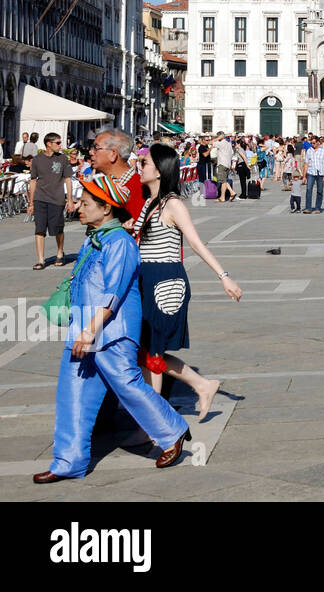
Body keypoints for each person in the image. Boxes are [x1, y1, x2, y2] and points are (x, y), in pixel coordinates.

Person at [34, 175, 192, 483]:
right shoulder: (93, 237)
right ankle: (68, 462)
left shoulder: (119, 242)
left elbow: (114, 293)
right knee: (72, 395)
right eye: (79, 202)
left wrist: (91, 330)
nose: (79, 208)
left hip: (112, 331)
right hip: (84, 329)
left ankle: (172, 430)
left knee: (127, 384)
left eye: (86, 204)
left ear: (106, 209)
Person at [135, 144, 242, 419]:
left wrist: (224, 277)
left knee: (153, 351)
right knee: (148, 351)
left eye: (145, 162)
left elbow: (195, 242)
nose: (140, 166)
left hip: (165, 281)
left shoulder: (173, 204)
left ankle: (156, 421)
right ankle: (202, 385)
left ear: (159, 171)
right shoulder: (149, 202)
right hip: (146, 278)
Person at [27, 133, 75, 269]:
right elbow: (32, 181)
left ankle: (60, 252)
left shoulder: (63, 159)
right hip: (40, 198)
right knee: (39, 229)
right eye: (58, 143)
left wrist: (70, 200)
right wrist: (31, 203)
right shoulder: (37, 159)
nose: (60, 145)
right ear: (49, 144)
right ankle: (41, 260)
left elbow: (68, 179)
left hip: (57, 199)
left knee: (57, 228)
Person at [304, 136, 324, 214]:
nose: (312, 144)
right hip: (311, 172)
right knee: (309, 190)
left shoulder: (323, 151)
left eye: (314, 143)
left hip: (320, 173)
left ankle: (317, 208)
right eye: (311, 143)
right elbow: (306, 163)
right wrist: (304, 176)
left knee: (320, 191)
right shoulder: (309, 151)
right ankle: (308, 208)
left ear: (318, 142)